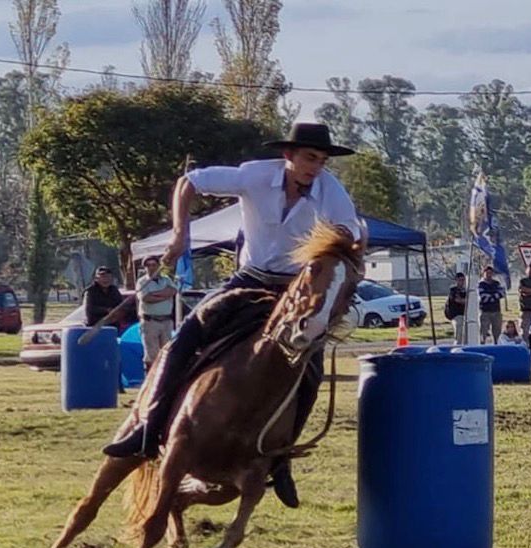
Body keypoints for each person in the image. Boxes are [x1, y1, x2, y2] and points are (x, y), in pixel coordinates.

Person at [102, 122, 362, 510]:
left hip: (294, 290)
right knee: (183, 340)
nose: (316, 167)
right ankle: (148, 429)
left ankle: (278, 459)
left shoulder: (332, 192)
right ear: (288, 156)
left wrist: (346, 263)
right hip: (248, 279)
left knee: (309, 371)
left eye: (322, 160)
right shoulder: (255, 176)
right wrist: (179, 234)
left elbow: (352, 233)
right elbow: (189, 181)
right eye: (310, 158)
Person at [135, 255, 177, 372]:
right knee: (151, 354)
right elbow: (146, 298)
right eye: (148, 266)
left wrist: (155, 294)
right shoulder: (142, 282)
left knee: (167, 352)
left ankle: (165, 378)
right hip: (150, 321)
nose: (151, 268)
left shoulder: (166, 279)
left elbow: (173, 291)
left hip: (166, 321)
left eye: (154, 265)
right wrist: (164, 295)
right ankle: (149, 378)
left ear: (159, 266)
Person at [478, 265, 505, 344]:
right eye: (487, 273)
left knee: (497, 332)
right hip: (485, 311)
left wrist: (491, 296)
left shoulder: (496, 283)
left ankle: (497, 347)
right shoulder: (480, 284)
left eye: (490, 273)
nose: (489, 274)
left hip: (496, 311)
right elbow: (483, 297)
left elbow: (502, 294)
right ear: (483, 273)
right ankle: (482, 346)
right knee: (483, 332)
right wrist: (495, 296)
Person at [444, 272, 467, 344]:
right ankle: (457, 345)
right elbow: (458, 300)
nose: (462, 282)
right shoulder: (453, 290)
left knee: (466, 333)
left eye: (463, 280)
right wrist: (466, 300)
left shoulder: (466, 290)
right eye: (460, 280)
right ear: (456, 280)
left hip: (464, 315)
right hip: (456, 315)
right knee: (459, 331)